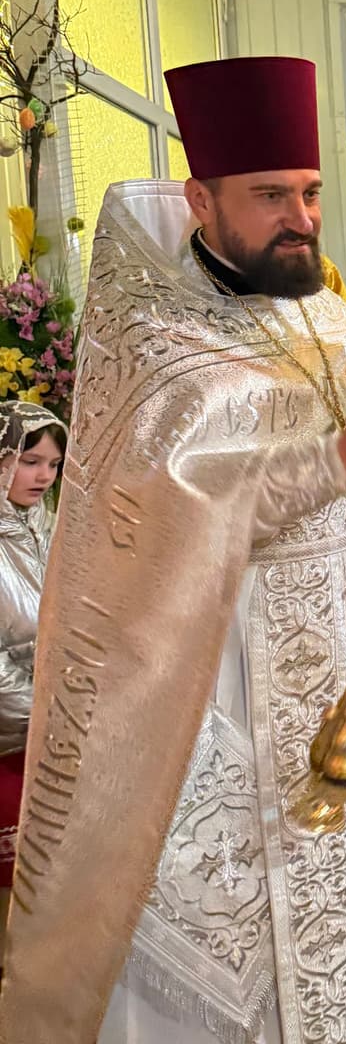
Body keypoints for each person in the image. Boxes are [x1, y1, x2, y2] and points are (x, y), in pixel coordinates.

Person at [0, 56, 346, 1044]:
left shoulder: (332, 320)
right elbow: (156, 511)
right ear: (202, 198)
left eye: (308, 193)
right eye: (270, 197)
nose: (299, 217)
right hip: (215, 704)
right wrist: (336, 454)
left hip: (342, 697)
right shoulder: (153, 341)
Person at [0, 403, 65, 950]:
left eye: (53, 464)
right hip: (13, 746)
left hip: (55, 738)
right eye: (29, 460)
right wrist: (49, 715)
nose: (43, 476)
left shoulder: (48, 529)